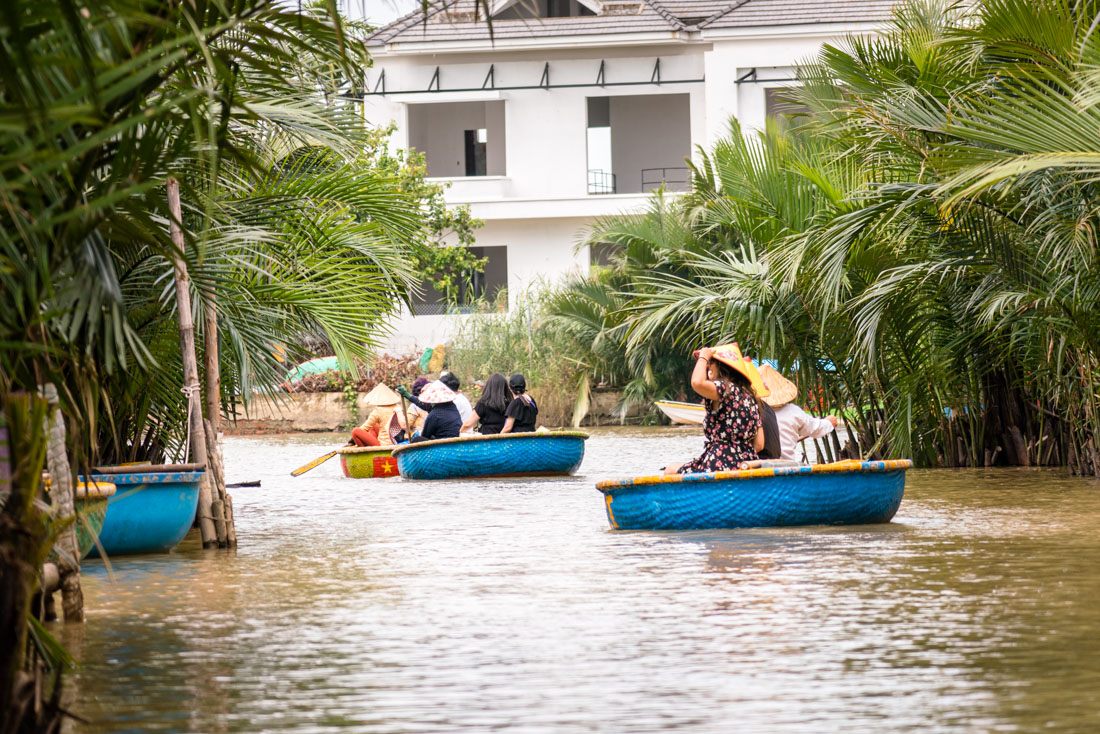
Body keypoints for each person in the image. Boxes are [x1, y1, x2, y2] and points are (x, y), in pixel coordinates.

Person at [664, 343, 766, 475]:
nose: (708, 366)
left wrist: (703, 357)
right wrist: (737, 456)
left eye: (712, 362)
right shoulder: (751, 397)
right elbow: (759, 444)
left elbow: (697, 382)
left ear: (724, 367)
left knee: (670, 470)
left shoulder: (725, 388)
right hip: (747, 463)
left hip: (719, 462)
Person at [759, 364, 839, 462]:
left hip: (757, 466)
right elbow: (815, 428)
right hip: (786, 466)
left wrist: (827, 423)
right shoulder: (793, 411)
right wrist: (828, 423)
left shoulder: (750, 411)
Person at [742, 357, 781, 460]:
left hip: (761, 461)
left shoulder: (747, 405)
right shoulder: (764, 406)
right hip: (774, 459)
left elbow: (759, 446)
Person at [398, 380, 462, 442]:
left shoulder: (434, 415)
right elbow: (424, 405)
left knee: (417, 440)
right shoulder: (452, 406)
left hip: (443, 445)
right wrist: (407, 395)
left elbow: (425, 435)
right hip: (455, 440)